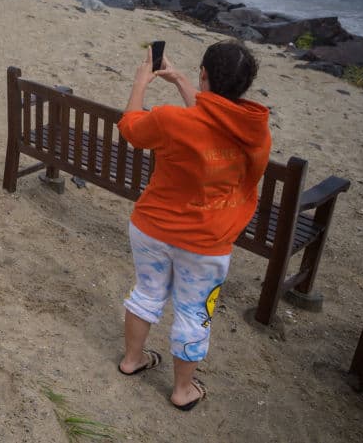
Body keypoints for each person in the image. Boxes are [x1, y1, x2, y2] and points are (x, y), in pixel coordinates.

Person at [115, 40, 272, 410]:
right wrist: (181, 80)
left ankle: (132, 359)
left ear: (204, 75)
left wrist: (141, 83)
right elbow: (214, 121)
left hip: (152, 228)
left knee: (146, 293)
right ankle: (182, 389)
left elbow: (131, 128)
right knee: (195, 312)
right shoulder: (256, 134)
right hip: (206, 244)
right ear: (245, 85)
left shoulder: (172, 121)